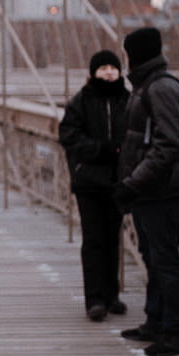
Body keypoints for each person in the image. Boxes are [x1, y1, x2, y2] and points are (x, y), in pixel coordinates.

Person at [114, 26, 179, 356]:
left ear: (135, 54)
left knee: (165, 261)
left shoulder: (160, 88)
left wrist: (133, 182)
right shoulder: (146, 86)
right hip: (150, 189)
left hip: (161, 190)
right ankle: (155, 321)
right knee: (153, 257)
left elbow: (168, 145)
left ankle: (177, 332)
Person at [58, 49, 129, 321]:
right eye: (103, 68)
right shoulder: (80, 102)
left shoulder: (128, 100)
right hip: (89, 181)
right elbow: (69, 136)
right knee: (93, 240)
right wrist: (104, 150)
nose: (109, 72)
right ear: (93, 73)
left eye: (113, 67)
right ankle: (94, 299)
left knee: (113, 238)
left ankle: (113, 296)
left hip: (119, 180)